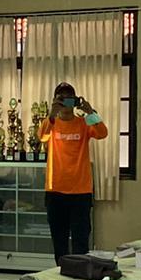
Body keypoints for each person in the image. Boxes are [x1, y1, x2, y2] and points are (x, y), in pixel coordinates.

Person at [39, 82, 108, 263]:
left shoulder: (84, 123)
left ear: (75, 101)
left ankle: (81, 273)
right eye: (61, 99)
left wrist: (90, 111)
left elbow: (102, 133)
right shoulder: (51, 123)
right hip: (55, 190)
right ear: (55, 101)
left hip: (80, 191)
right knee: (59, 241)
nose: (65, 104)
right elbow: (42, 137)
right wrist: (51, 114)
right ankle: (61, 273)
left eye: (69, 99)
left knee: (81, 240)